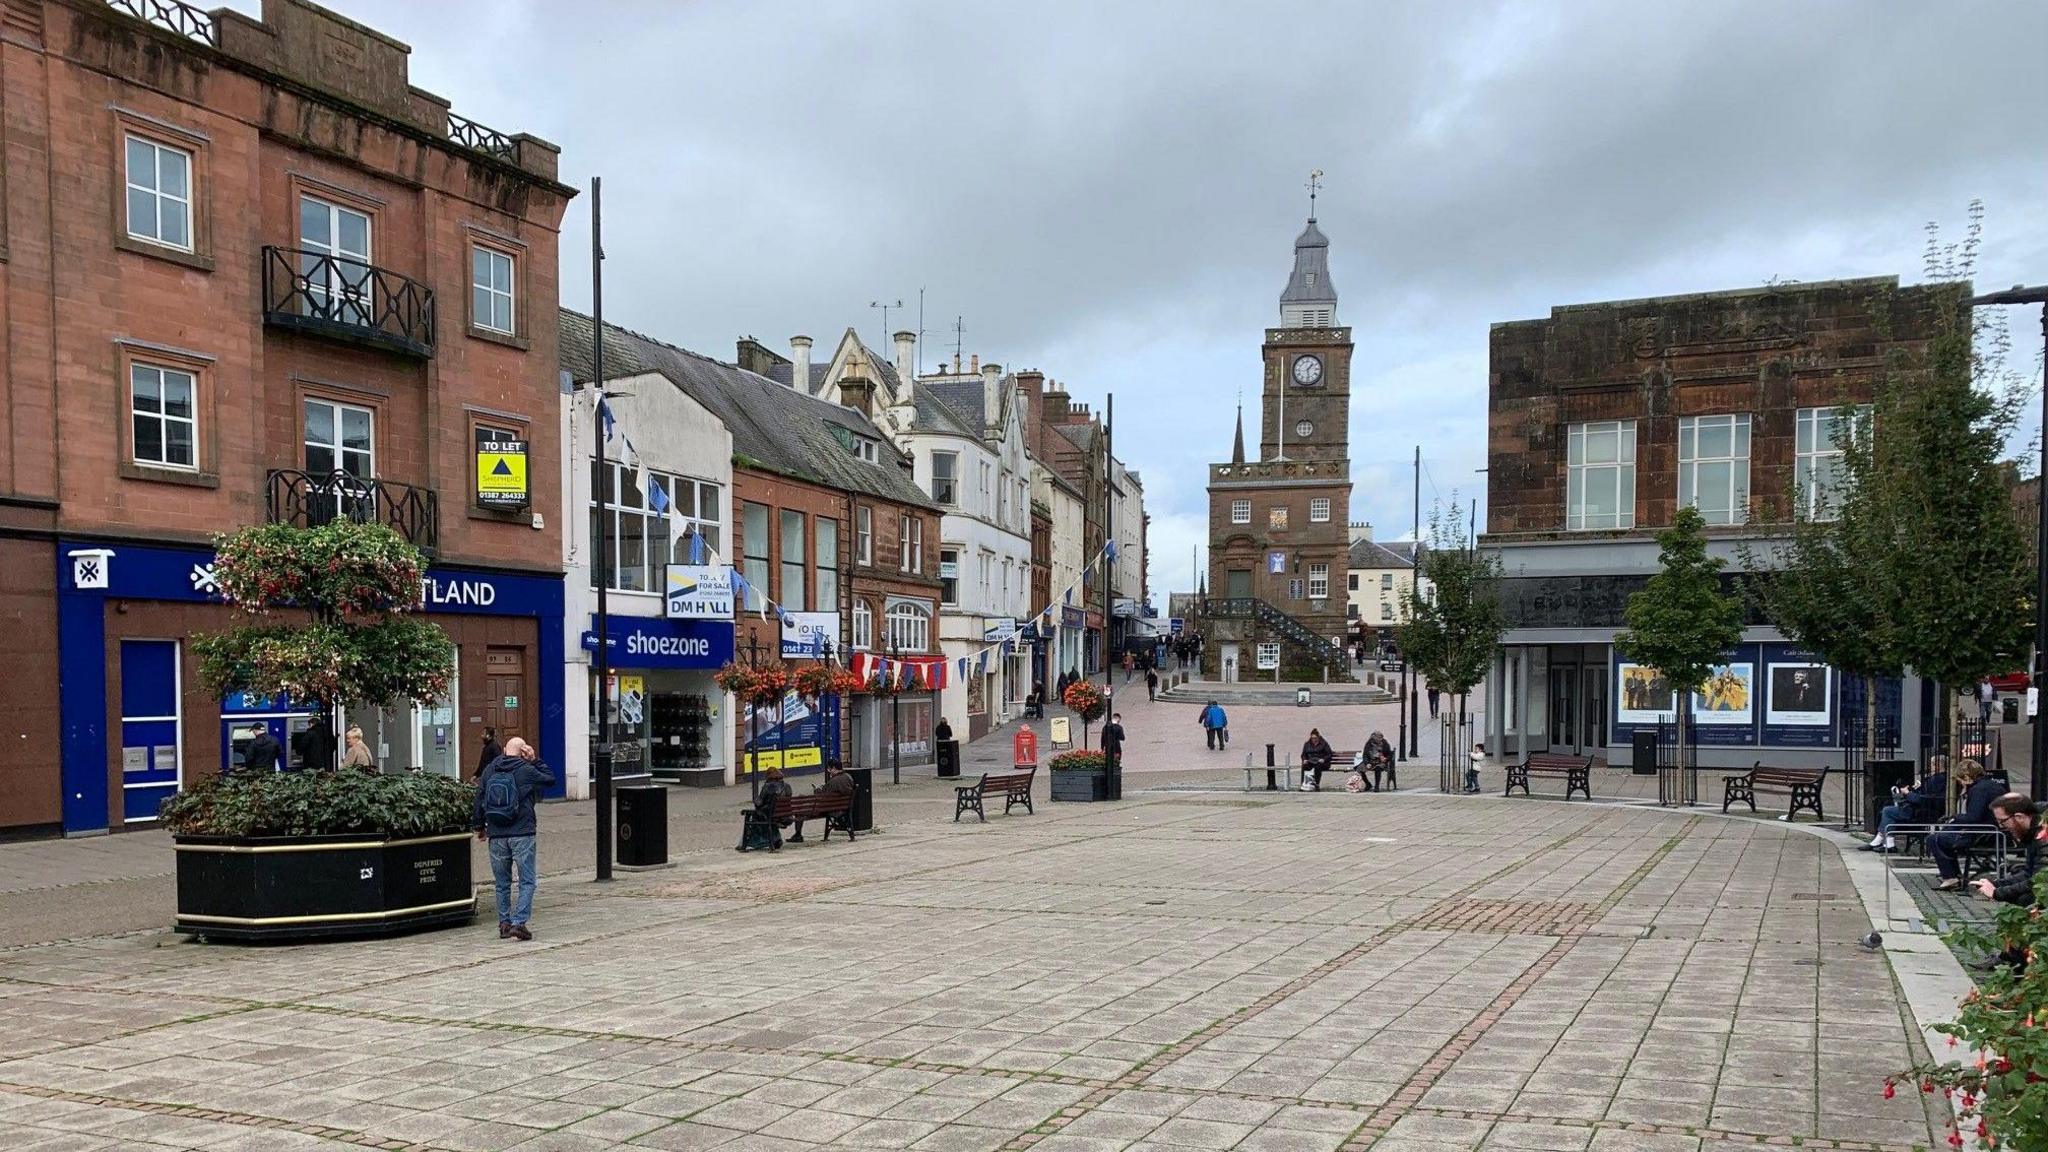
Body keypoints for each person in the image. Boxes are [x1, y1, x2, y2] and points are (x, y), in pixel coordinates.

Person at [472, 737, 553, 941]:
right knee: (527, 881)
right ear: (523, 751)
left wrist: (479, 827)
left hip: (497, 834)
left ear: (505, 750)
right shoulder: (525, 770)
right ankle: (519, 923)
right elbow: (550, 779)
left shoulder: (490, 770)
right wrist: (534, 760)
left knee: (502, 883)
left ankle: (504, 923)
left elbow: (479, 798)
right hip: (522, 832)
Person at [1967, 793, 2044, 971]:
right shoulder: (2033, 832)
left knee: (2026, 902)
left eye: (2003, 821)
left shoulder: (2042, 836)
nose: (2001, 827)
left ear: (2019, 817)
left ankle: (2016, 963)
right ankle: (2012, 959)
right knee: (2022, 901)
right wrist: (1998, 884)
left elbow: (2039, 881)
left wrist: (1997, 892)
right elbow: (2030, 873)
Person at [1928, 759, 2007, 891]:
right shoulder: (1992, 786)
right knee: (1943, 835)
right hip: (1993, 832)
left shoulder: (1978, 790)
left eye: (1960, 779)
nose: (1960, 783)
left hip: (1983, 835)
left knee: (1933, 838)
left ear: (1966, 777)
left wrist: (1955, 818)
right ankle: (1953, 876)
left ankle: (1951, 876)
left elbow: (1973, 817)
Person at [1864, 755, 1949, 852]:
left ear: (1937, 765)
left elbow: (1924, 799)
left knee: (1888, 811)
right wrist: (1914, 788)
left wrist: (1908, 793)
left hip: (1922, 812)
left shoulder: (1937, 780)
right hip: (1923, 809)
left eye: (1932, 764)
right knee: (1888, 809)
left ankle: (1885, 842)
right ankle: (1886, 843)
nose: (1930, 767)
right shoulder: (1939, 779)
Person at [789, 759, 856, 843]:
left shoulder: (833, 781)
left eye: (829, 769)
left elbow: (821, 797)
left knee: (799, 809)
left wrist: (816, 790)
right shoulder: (848, 777)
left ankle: (798, 835)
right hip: (843, 806)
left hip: (827, 809)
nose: (828, 771)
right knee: (802, 799)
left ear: (834, 768)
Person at [740, 767, 793, 851]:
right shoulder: (787, 786)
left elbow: (759, 803)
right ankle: (776, 839)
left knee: (753, 817)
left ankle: (748, 843)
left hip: (771, 815)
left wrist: (756, 799)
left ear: (768, 776)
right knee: (768, 816)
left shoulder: (768, 786)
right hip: (786, 816)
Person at [1102, 712, 1126, 777]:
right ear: (1118, 719)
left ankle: (1109, 775)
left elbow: (1102, 738)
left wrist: (1102, 748)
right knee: (1117, 760)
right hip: (1116, 746)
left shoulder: (1105, 727)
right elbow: (1122, 738)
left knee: (1108, 760)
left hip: (1107, 746)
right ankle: (1116, 775)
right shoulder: (1119, 727)